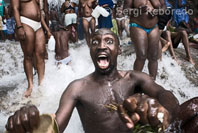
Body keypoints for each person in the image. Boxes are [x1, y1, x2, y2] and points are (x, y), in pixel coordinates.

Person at [5, 29, 180, 133]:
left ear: (118, 50)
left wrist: (165, 112)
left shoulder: (135, 78)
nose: (102, 46)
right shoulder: (77, 88)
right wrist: (30, 125)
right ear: (91, 51)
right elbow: (55, 126)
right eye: (95, 42)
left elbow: (164, 94)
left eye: (109, 41)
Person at [11, 0, 51, 97]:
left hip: (38, 24)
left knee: (40, 54)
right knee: (28, 55)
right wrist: (19, 26)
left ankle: (41, 84)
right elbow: (15, 8)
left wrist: (47, 29)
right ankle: (30, 86)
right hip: (25, 22)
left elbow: (40, 11)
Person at [124, 0, 166, 80]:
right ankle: (134, 83)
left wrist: (157, 11)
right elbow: (126, 10)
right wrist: (138, 10)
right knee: (141, 56)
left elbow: (164, 7)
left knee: (153, 57)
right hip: (137, 26)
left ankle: (152, 83)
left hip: (154, 27)